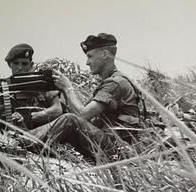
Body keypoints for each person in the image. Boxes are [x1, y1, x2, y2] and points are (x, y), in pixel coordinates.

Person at [23, 33, 142, 162]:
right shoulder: (110, 82)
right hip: (112, 145)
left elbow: (82, 116)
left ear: (104, 54)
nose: (87, 62)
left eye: (90, 56)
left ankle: (19, 142)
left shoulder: (114, 83)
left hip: (117, 149)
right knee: (67, 118)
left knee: (69, 120)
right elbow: (85, 117)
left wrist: (68, 88)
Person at [0, 43, 63, 130]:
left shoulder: (41, 84)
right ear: (10, 65)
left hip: (40, 135)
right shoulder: (0, 88)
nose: (20, 68)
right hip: (8, 138)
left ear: (31, 65)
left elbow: (57, 110)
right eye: (16, 63)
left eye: (24, 64)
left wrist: (29, 117)